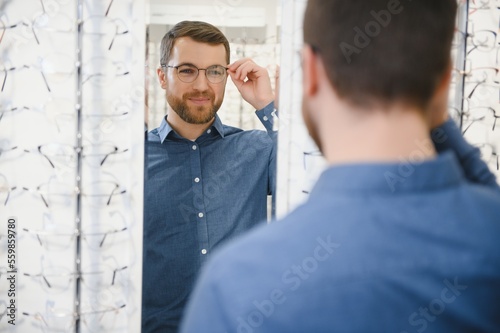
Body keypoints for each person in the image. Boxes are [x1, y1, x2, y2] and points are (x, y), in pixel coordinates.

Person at [180, 1, 500, 332]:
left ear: (311, 72)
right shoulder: (490, 235)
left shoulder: (236, 283)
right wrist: (430, 96)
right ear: (446, 80)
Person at [142, 21, 277, 332]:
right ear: (163, 76)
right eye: (187, 70)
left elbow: (310, 180)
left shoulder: (257, 149)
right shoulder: (132, 158)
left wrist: (267, 106)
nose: (203, 86)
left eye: (215, 71)